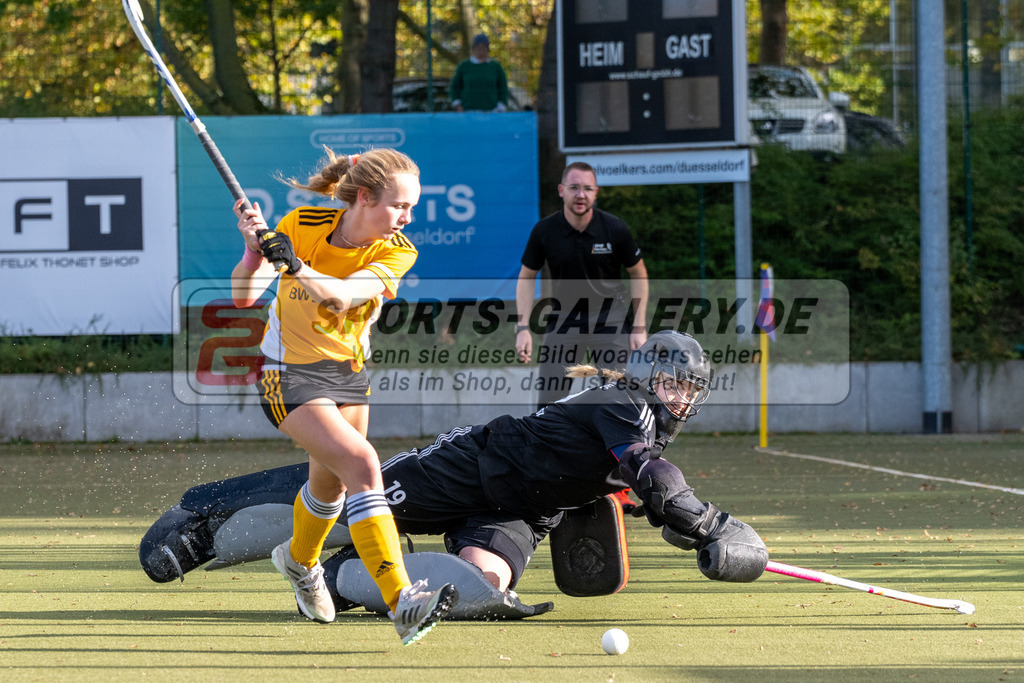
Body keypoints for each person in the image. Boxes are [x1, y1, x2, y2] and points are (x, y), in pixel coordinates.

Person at [140, 331, 769, 616]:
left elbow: (630, 481)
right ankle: (203, 517)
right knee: (355, 488)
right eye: (668, 382)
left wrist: (651, 509)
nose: (677, 396)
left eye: (687, 388)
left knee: (482, 585)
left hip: (519, 513)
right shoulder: (624, 404)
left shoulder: (643, 423)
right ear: (642, 377)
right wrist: (709, 522)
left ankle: (337, 577)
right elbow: (652, 472)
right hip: (472, 467)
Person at [231, 146, 457, 645]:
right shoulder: (304, 221)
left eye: (411, 208)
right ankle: (404, 602)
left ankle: (298, 560)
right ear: (363, 198)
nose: (407, 217)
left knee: (331, 488)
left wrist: (295, 267)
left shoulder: (397, 250)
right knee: (363, 464)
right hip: (285, 373)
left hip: (348, 375)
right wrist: (254, 252)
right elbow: (245, 296)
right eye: (399, 206)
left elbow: (340, 295)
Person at [515, 161, 650, 410]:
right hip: (564, 319)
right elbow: (526, 277)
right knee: (548, 406)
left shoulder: (615, 229)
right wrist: (523, 327)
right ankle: (551, 448)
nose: (580, 195)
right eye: (574, 187)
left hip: (610, 320)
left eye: (587, 189)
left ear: (596, 192)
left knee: (621, 400)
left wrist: (639, 326)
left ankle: (623, 449)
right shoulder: (545, 230)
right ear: (561, 190)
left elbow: (638, 273)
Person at [449, 33, 510, 112]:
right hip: (468, 112)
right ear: (473, 48)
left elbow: (503, 87)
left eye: (483, 47)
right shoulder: (464, 66)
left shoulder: (495, 67)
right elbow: (454, 87)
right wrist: (457, 104)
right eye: (478, 47)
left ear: (488, 49)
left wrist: (501, 105)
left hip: (492, 111)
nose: (480, 50)